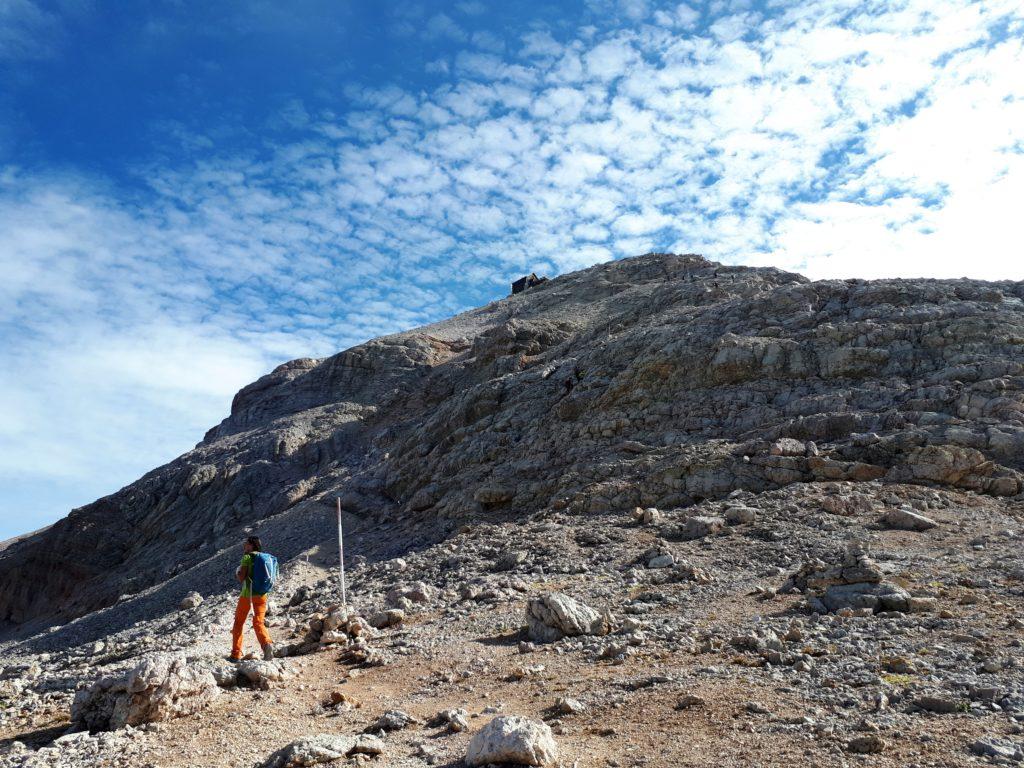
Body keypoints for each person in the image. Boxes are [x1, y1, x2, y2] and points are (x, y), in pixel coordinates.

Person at [229, 536, 274, 662]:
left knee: (238, 623)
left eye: (246, 543)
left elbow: (242, 577)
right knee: (259, 622)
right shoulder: (264, 557)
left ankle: (235, 654)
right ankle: (267, 645)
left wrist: (238, 572)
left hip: (247, 595)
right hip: (262, 594)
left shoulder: (247, 557)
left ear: (251, 545)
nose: (244, 545)